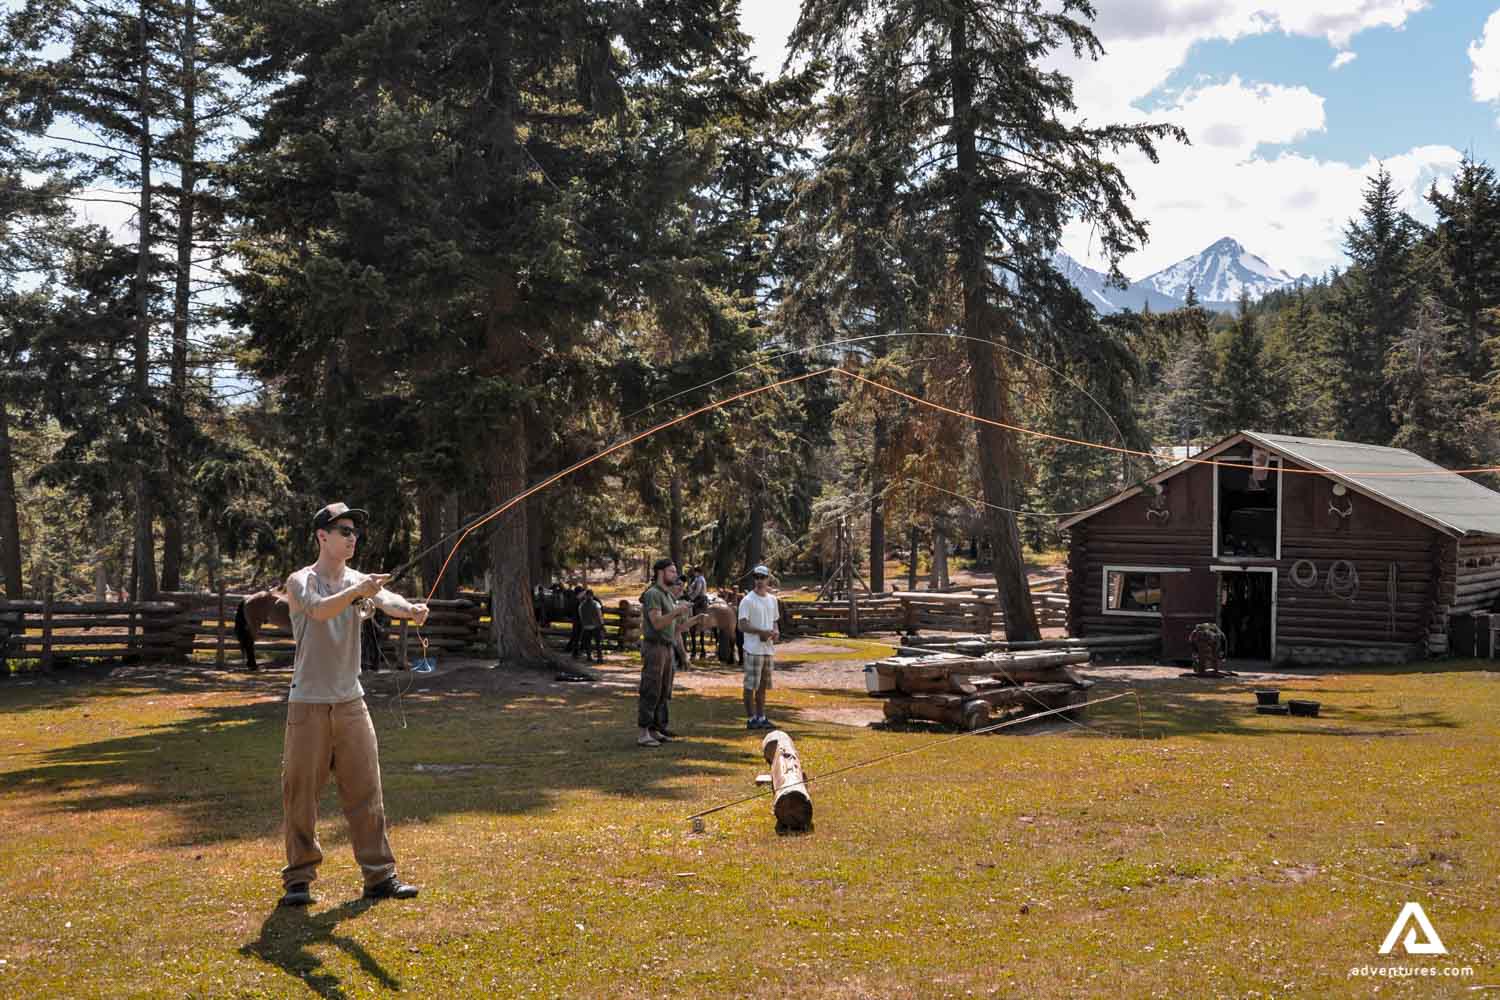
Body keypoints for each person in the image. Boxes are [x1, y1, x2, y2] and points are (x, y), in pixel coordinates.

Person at [277, 502, 429, 907]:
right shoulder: (300, 581)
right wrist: (359, 592)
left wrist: (410, 611)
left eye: (355, 531)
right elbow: (321, 611)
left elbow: (388, 599)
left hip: (351, 703)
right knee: (301, 795)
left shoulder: (361, 581)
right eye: (343, 530)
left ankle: (380, 877)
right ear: (322, 537)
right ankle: (299, 880)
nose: (352, 537)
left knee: (366, 792)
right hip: (307, 704)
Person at [638, 558, 690, 747]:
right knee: (651, 688)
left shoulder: (668, 596)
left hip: (667, 647)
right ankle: (643, 733)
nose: (675, 575)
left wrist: (688, 616)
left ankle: (655, 730)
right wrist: (676, 612)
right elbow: (657, 622)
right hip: (655, 647)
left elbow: (676, 628)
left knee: (663, 690)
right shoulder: (653, 594)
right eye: (672, 571)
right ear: (661, 572)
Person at [737, 565, 780, 730]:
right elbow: (742, 625)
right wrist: (760, 632)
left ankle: (761, 717)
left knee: (763, 686)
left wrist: (775, 631)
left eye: (763, 577)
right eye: (757, 577)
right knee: (750, 686)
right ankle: (751, 718)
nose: (760, 581)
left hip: (768, 649)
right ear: (754, 578)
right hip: (752, 649)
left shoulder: (772, 600)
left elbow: (774, 620)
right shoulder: (747, 600)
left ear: (768, 578)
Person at [576, 588, 605, 662]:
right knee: (598, 643)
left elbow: (581, 616)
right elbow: (599, 615)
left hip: (586, 626)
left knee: (588, 643)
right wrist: (602, 625)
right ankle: (599, 658)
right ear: (592, 595)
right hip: (596, 626)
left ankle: (589, 656)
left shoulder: (581, 605)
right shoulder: (596, 604)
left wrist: (584, 624)